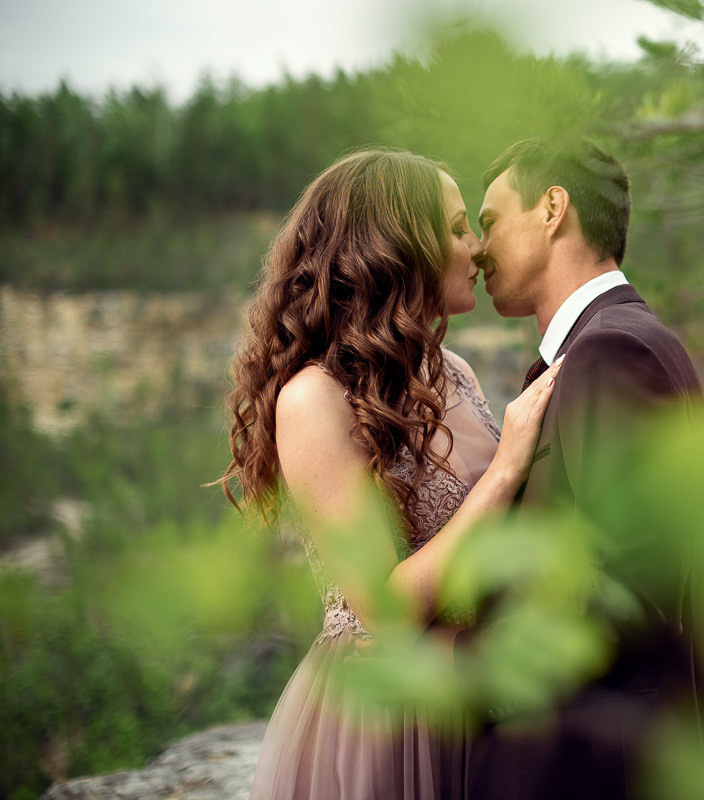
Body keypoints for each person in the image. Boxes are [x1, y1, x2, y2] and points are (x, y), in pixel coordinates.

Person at [220, 148, 559, 800]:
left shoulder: (449, 371)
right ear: (398, 249)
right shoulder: (312, 401)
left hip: (472, 692)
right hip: (387, 728)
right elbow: (385, 605)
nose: (479, 247)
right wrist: (507, 466)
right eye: (459, 228)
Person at [464, 138, 704, 799]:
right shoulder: (612, 343)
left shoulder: (614, 351)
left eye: (489, 222)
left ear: (552, 208)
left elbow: (634, 590)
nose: (479, 250)